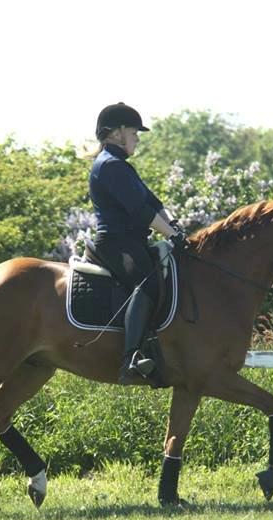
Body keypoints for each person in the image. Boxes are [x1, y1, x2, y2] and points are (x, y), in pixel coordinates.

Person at [88, 102, 189, 384]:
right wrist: (170, 234)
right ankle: (131, 358)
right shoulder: (110, 166)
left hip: (132, 242)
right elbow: (141, 212)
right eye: (134, 131)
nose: (137, 137)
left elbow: (153, 204)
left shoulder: (121, 166)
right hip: (117, 244)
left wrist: (174, 226)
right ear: (118, 132)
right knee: (149, 283)